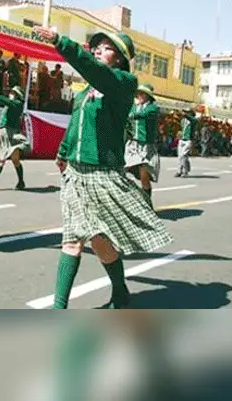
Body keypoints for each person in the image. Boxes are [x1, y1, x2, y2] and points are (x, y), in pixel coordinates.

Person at [32, 25, 172, 309]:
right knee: (72, 241)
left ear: (120, 58)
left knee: (99, 241)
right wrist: (63, 152)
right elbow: (75, 124)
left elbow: (96, 72)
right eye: (96, 46)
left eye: (107, 48)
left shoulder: (123, 82)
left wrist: (61, 42)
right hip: (75, 172)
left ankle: (120, 290)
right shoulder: (86, 91)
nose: (98, 50)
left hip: (102, 173)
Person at [0, 85, 30, 191]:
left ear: (18, 95)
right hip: (5, 132)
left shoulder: (17, 104)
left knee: (2, 158)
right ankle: (21, 182)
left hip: (9, 133)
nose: (10, 94)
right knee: (15, 159)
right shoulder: (11, 104)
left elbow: (6, 101)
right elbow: (4, 101)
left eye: (13, 93)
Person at [123, 83, 161, 208]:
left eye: (142, 93)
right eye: (138, 93)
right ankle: (125, 198)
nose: (139, 95)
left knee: (144, 174)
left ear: (148, 96)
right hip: (133, 143)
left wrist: (130, 115)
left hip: (146, 145)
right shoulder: (133, 107)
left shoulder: (153, 108)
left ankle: (146, 202)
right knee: (122, 169)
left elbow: (141, 116)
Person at [175, 109, 195, 178]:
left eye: (188, 113)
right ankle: (179, 171)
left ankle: (185, 171)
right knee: (180, 156)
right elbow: (181, 128)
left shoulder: (193, 121)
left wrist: (184, 114)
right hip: (181, 140)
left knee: (184, 156)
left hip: (188, 140)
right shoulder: (183, 120)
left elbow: (191, 119)